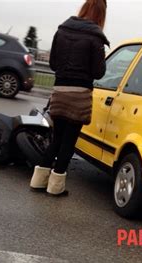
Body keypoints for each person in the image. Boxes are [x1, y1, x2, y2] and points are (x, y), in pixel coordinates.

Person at [29, 0, 110, 196]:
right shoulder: (96, 38)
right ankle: (56, 187)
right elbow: (98, 73)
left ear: (83, 9)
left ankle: (38, 181)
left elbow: (53, 63)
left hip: (59, 90)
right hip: (79, 95)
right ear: (101, 14)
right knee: (68, 142)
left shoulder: (62, 30)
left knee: (56, 139)